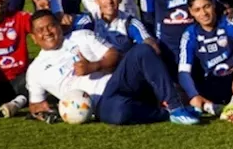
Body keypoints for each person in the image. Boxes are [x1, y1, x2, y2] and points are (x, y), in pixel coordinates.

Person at [26, 11, 201, 126]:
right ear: (34, 38)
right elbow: (36, 104)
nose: (47, 32)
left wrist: (93, 66)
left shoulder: (81, 36)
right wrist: (45, 111)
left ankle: (176, 106)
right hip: (99, 105)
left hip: (117, 82)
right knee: (118, 114)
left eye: (51, 26)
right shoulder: (34, 71)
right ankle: (164, 113)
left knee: (143, 50)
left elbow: (114, 55)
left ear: (59, 26)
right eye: (40, 30)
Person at [178, 0, 233, 122]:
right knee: (180, 88)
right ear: (191, 12)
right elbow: (183, 71)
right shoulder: (190, 34)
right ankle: (215, 108)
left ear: (213, 5)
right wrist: (193, 95)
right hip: (211, 82)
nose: (204, 13)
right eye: (197, 10)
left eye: (206, 6)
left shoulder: (230, 22)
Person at [69, 0, 160, 54]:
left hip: (122, 69)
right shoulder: (88, 20)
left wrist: (149, 47)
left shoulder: (129, 22)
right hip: (95, 69)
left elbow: (149, 42)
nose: (109, 1)